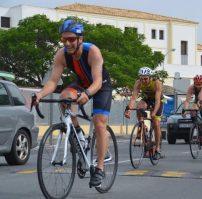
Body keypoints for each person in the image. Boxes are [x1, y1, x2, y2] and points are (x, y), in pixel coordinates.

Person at [33, 19, 112, 187]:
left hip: (100, 86)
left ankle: (100, 168)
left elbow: (97, 82)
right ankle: (79, 137)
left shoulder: (93, 52)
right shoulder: (61, 54)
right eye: (64, 39)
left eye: (71, 39)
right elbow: (53, 82)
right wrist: (39, 94)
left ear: (80, 39)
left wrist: (87, 94)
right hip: (82, 83)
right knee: (64, 97)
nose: (67, 43)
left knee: (98, 122)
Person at [124, 67, 163, 159]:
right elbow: (133, 98)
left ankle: (157, 148)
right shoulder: (138, 83)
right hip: (147, 99)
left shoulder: (157, 83)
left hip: (158, 101)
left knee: (156, 123)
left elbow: (157, 100)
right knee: (139, 107)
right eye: (141, 78)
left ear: (150, 77)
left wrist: (154, 112)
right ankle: (142, 126)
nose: (143, 80)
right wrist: (129, 109)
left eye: (145, 78)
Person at [182, 75, 202, 153]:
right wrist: (184, 109)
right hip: (198, 102)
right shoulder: (191, 88)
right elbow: (187, 101)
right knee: (193, 110)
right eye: (196, 84)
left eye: (200, 84)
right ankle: (197, 126)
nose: (198, 86)